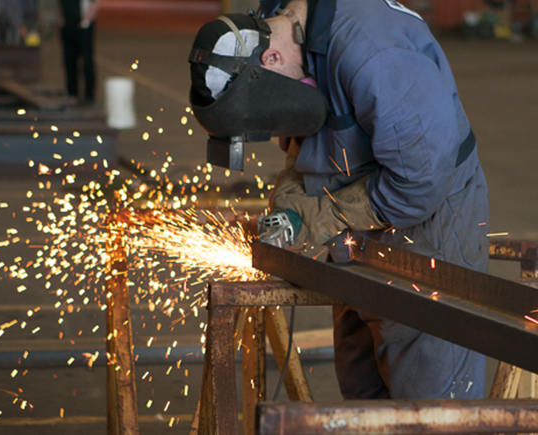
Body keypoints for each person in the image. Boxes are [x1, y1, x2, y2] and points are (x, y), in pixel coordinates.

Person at [189, 0, 490, 400]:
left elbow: (419, 181)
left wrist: (319, 217)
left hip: (428, 227)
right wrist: (291, 193)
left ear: (271, 56)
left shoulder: (374, 53)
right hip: (357, 234)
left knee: (431, 405)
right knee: (363, 391)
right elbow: (305, 126)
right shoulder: (282, 22)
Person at [58, 0, 100, 105]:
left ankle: (89, 95)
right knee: (69, 60)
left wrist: (86, 21)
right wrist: (62, 20)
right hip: (68, 24)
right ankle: (72, 93)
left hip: (83, 26)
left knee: (87, 61)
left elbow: (95, 3)